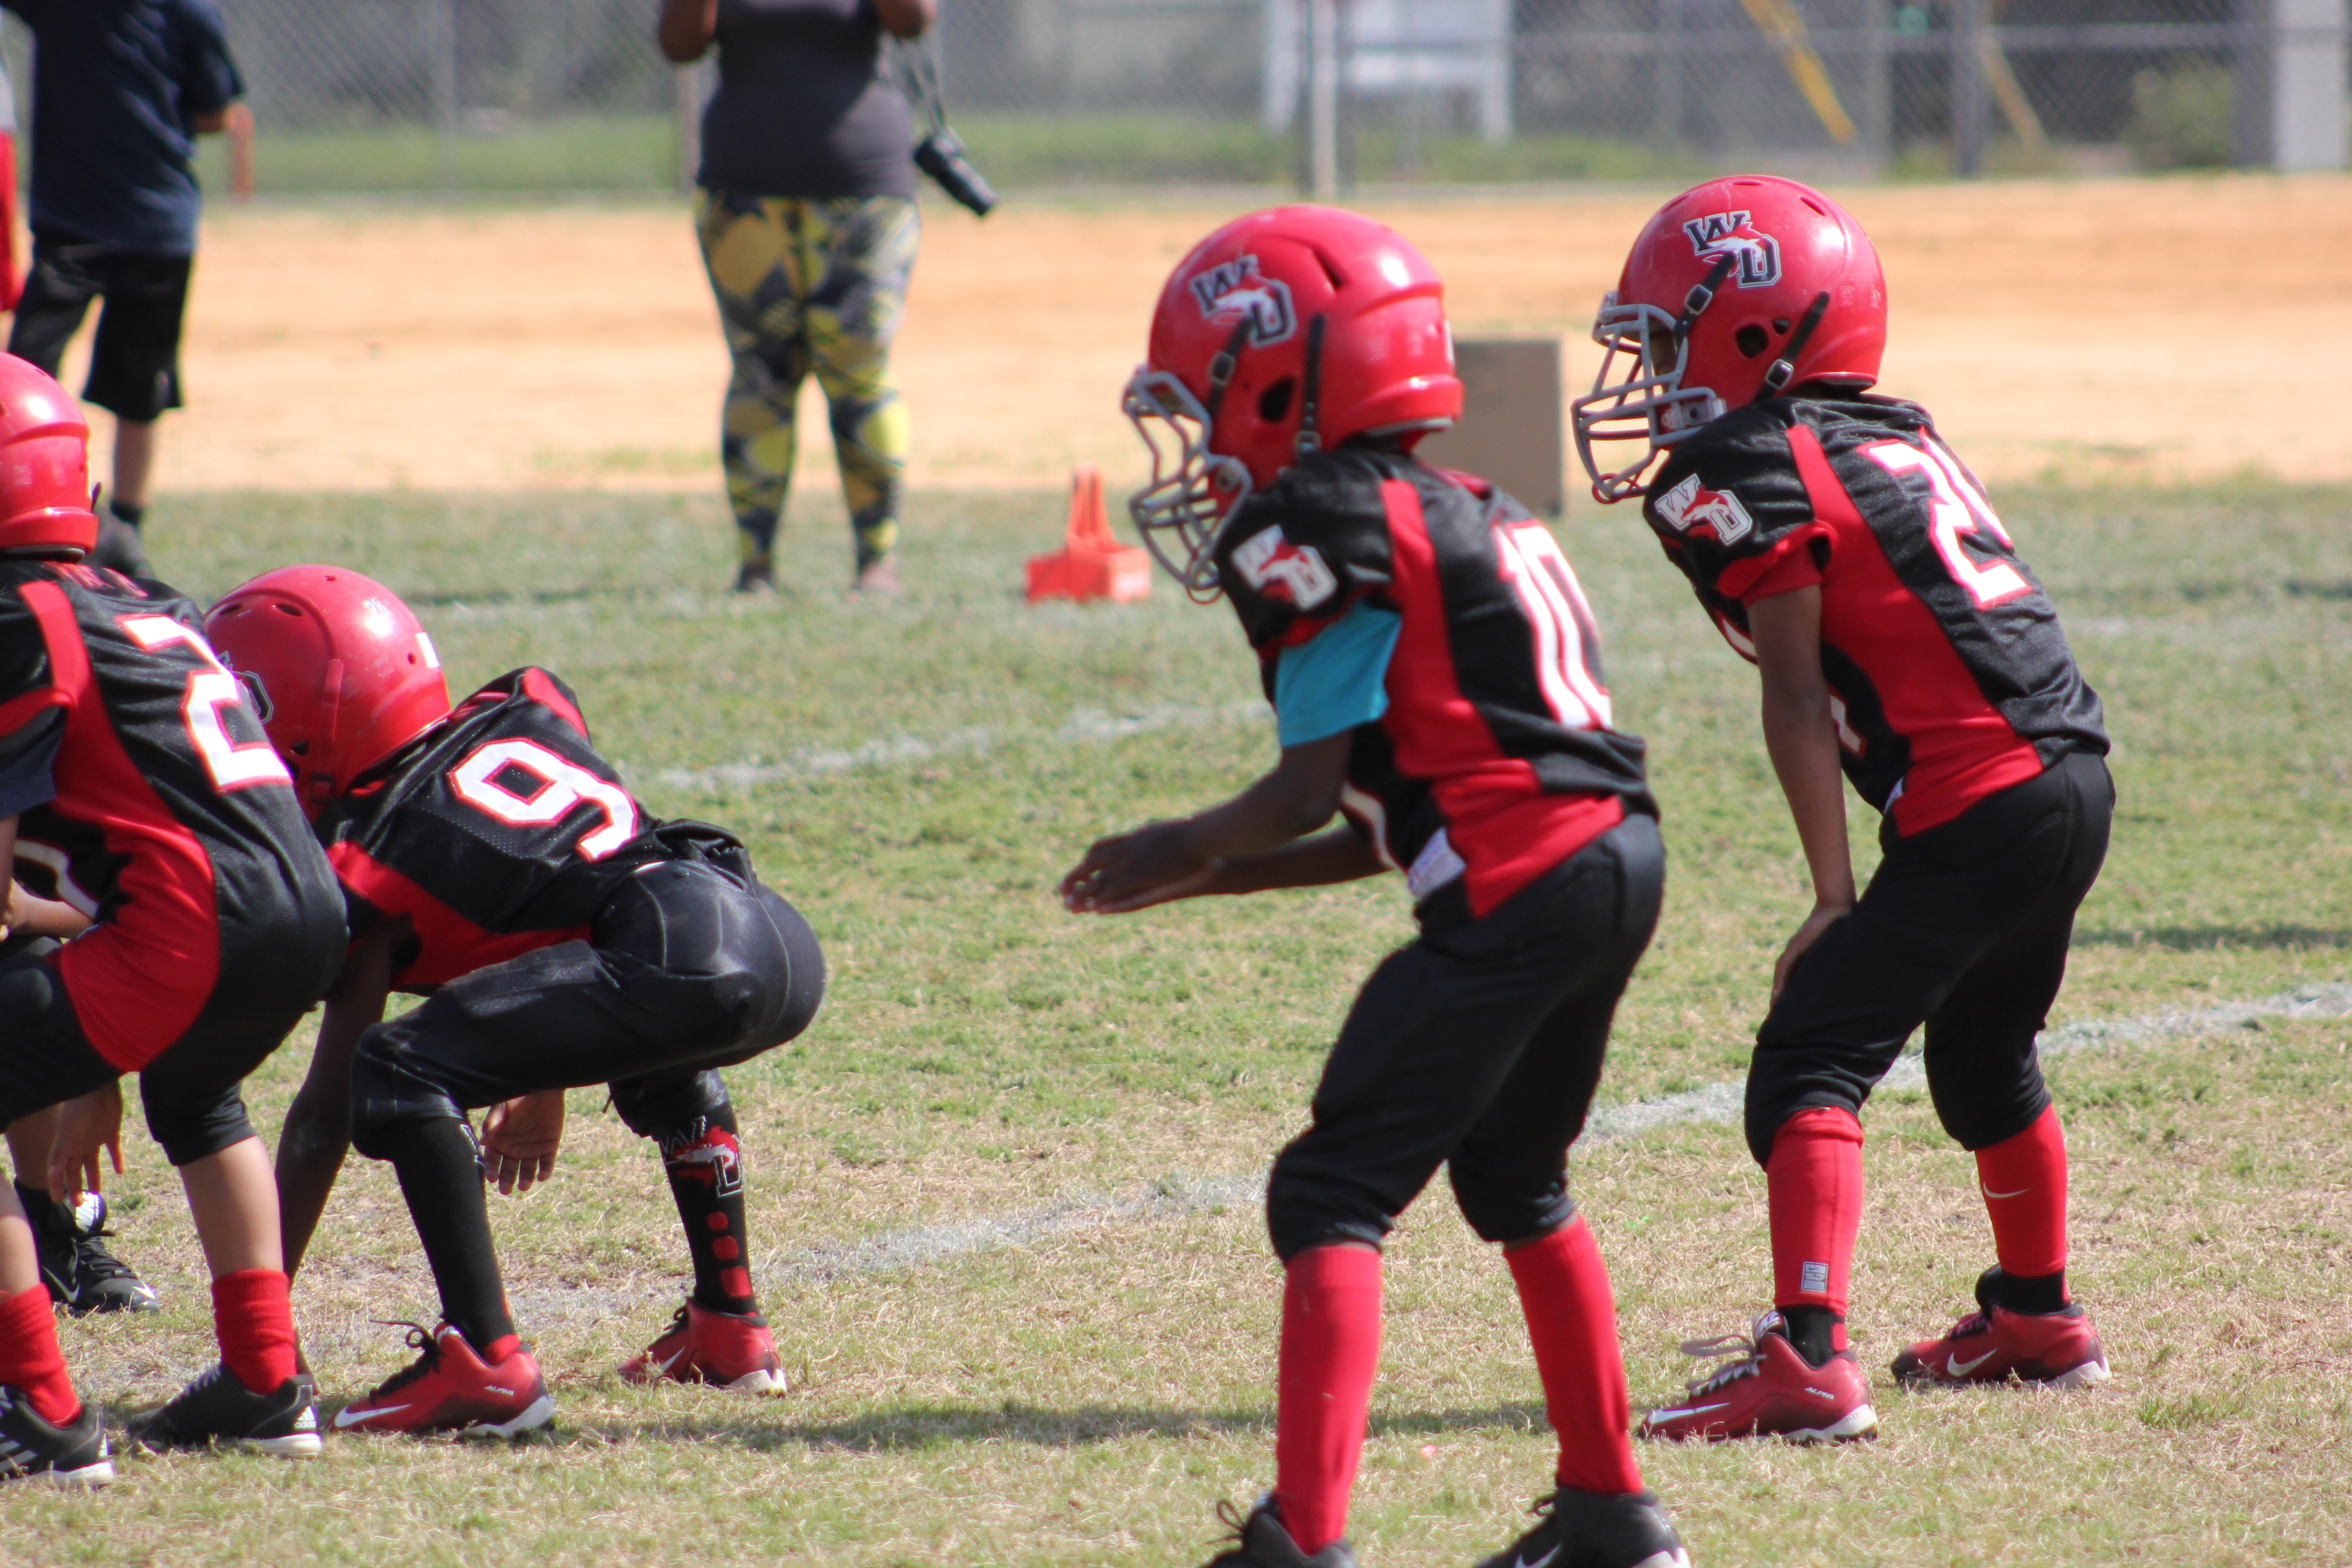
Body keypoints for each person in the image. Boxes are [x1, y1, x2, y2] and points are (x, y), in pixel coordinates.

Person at [1061, 208, 1689, 1568]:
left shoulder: (1315, 515)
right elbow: (1383, 825)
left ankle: (1307, 1538)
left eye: (1206, 407)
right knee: (1516, 1178)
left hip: (1525, 878)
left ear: (1277, 383)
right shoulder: (1479, 503)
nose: (1199, 450)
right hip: (1611, 860)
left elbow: (1305, 791)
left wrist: (1186, 836)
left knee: (1328, 1193)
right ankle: (1612, 1515)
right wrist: (1209, 879)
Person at [1570, 175, 2112, 1444]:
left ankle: (1806, 1359)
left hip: (1979, 793)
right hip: (2070, 779)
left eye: (1666, 342)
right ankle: (2037, 1318)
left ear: (1758, 333)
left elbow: (1798, 697)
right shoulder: (1895, 434)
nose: (1651, 378)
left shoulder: (1749, 460)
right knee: (1984, 1057)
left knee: (1809, 1057)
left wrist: (1832, 895)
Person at [205, 567, 828, 1436]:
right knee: (662, 1052)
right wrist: (546, 1075)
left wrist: (261, 1327)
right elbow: (556, 878)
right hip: (756, 926)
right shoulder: (517, 704)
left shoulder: (366, 857)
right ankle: (729, 1330)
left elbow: (323, 1113)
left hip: (671, 951)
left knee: (394, 1066)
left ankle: (483, 1360)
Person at [0, 356, 345, 1483]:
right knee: (198, 1097)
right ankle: (266, 1383)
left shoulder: (17, 614)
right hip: (301, 908)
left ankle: (39, 1412)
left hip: (190, 927)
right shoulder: (140, 600)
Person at [658, 0, 936, 598]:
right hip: (743, 192)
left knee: (860, 368)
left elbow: (913, 21)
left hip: (864, 189)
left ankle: (876, 564)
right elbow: (680, 45)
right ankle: (755, 567)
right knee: (761, 373)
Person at [1, 0, 245, 579]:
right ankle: (27, 506)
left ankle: (126, 534)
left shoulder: (188, 11)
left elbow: (218, 111)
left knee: (139, 388)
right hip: (72, 225)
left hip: (154, 224)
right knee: (21, 376)